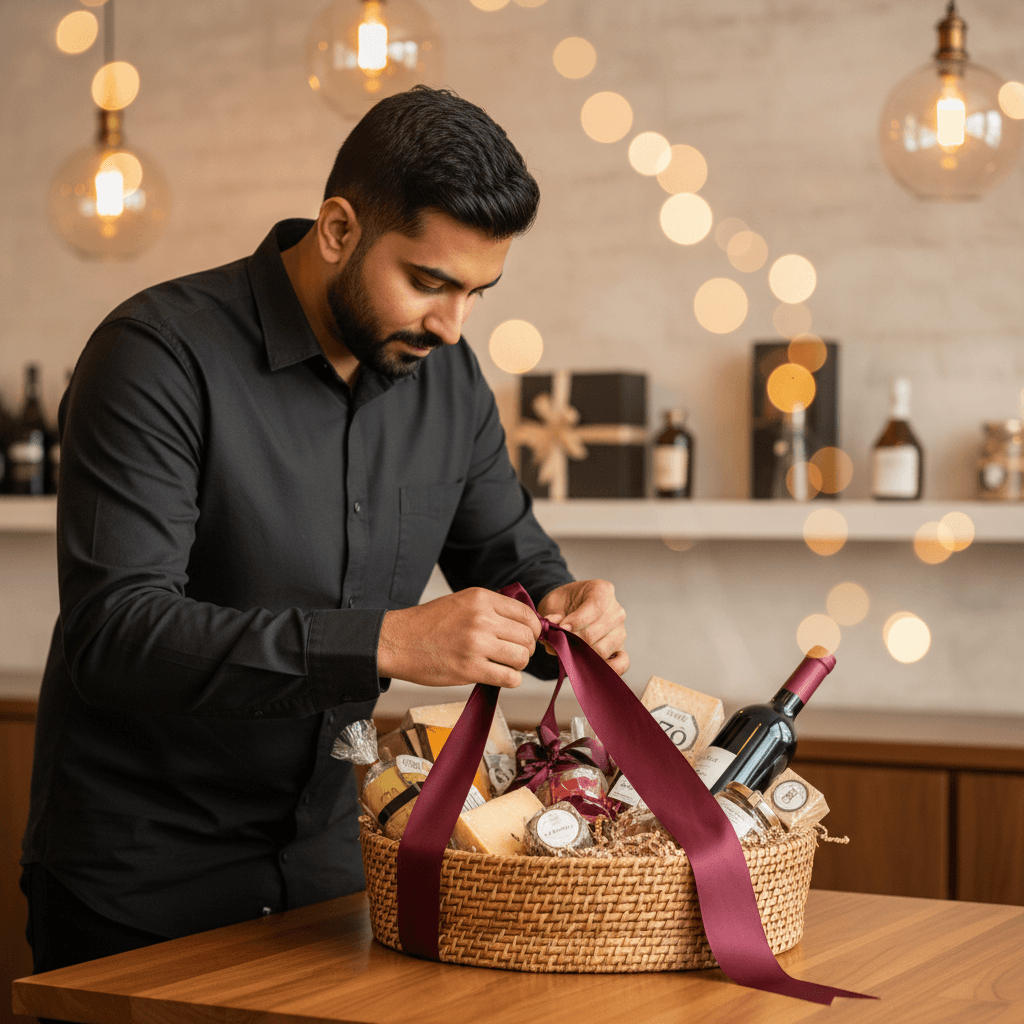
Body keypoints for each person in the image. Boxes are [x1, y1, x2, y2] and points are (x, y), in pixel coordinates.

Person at [20, 85, 629, 993]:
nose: (452, 325)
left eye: (476, 292)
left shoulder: (449, 380)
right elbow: (119, 636)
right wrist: (389, 640)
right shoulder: (154, 356)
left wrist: (561, 604)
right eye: (429, 282)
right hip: (141, 889)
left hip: (336, 874)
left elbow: (507, 553)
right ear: (339, 229)